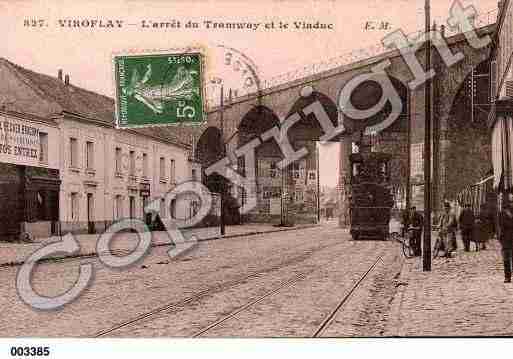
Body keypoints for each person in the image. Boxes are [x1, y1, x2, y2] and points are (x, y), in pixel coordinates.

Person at [499, 193, 513, 283]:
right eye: (511, 202)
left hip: (507, 238)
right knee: (506, 259)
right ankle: (507, 276)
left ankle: (508, 276)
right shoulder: (503, 213)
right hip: (506, 239)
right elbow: (501, 225)